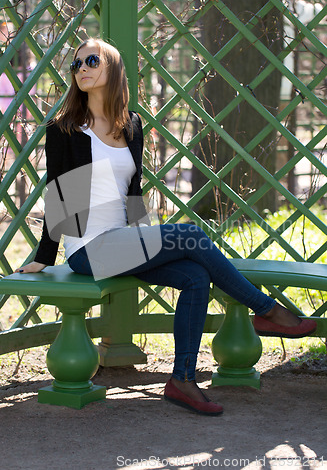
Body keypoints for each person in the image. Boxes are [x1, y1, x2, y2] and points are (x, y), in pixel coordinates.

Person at [16, 38, 316, 416]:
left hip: (123, 241)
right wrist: (44, 256)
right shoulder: (66, 129)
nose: (82, 69)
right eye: (76, 65)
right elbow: (58, 194)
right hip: (89, 249)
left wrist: (146, 240)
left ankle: (182, 380)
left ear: (113, 68)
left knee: (193, 275)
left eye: (91, 60)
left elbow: (133, 191)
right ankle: (267, 310)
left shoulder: (131, 126)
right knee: (190, 233)